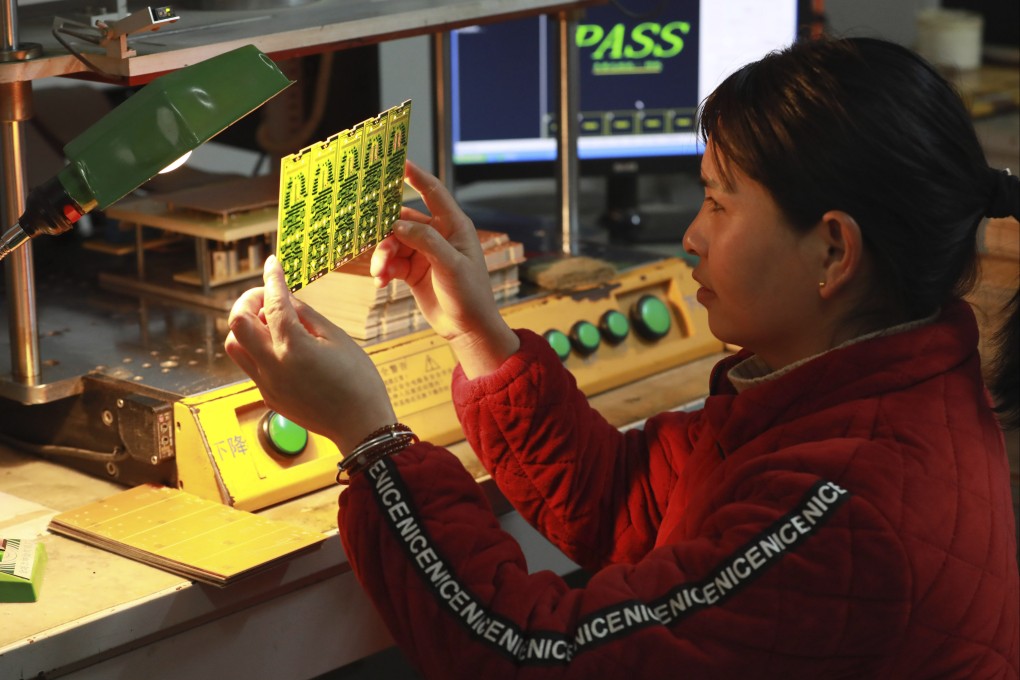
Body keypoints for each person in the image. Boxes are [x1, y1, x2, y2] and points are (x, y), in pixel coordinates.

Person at [225, 37, 1019, 678]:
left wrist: (370, 440)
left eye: (718, 203)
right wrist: (477, 334)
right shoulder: (854, 388)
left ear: (834, 251)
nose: (692, 235)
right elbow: (625, 508)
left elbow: (528, 653)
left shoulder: (842, 508)